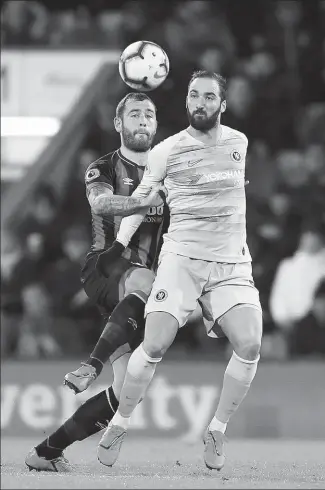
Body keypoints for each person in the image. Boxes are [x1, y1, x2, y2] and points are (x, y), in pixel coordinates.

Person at [97, 70, 263, 471]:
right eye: (193, 95)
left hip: (231, 264)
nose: (199, 103)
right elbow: (138, 201)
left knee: (251, 345)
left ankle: (217, 429)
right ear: (186, 102)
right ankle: (120, 423)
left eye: (208, 97)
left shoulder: (239, 142)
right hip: (182, 261)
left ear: (222, 104)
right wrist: (119, 245)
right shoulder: (166, 151)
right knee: (154, 344)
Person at [25, 92, 166, 472]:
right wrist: (144, 201)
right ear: (118, 124)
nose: (142, 120)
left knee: (125, 393)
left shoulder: (169, 169)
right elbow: (101, 204)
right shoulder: (103, 167)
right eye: (133, 114)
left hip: (134, 299)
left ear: (155, 125)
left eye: (148, 114)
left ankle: (47, 452)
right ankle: (91, 364)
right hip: (107, 267)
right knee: (146, 278)